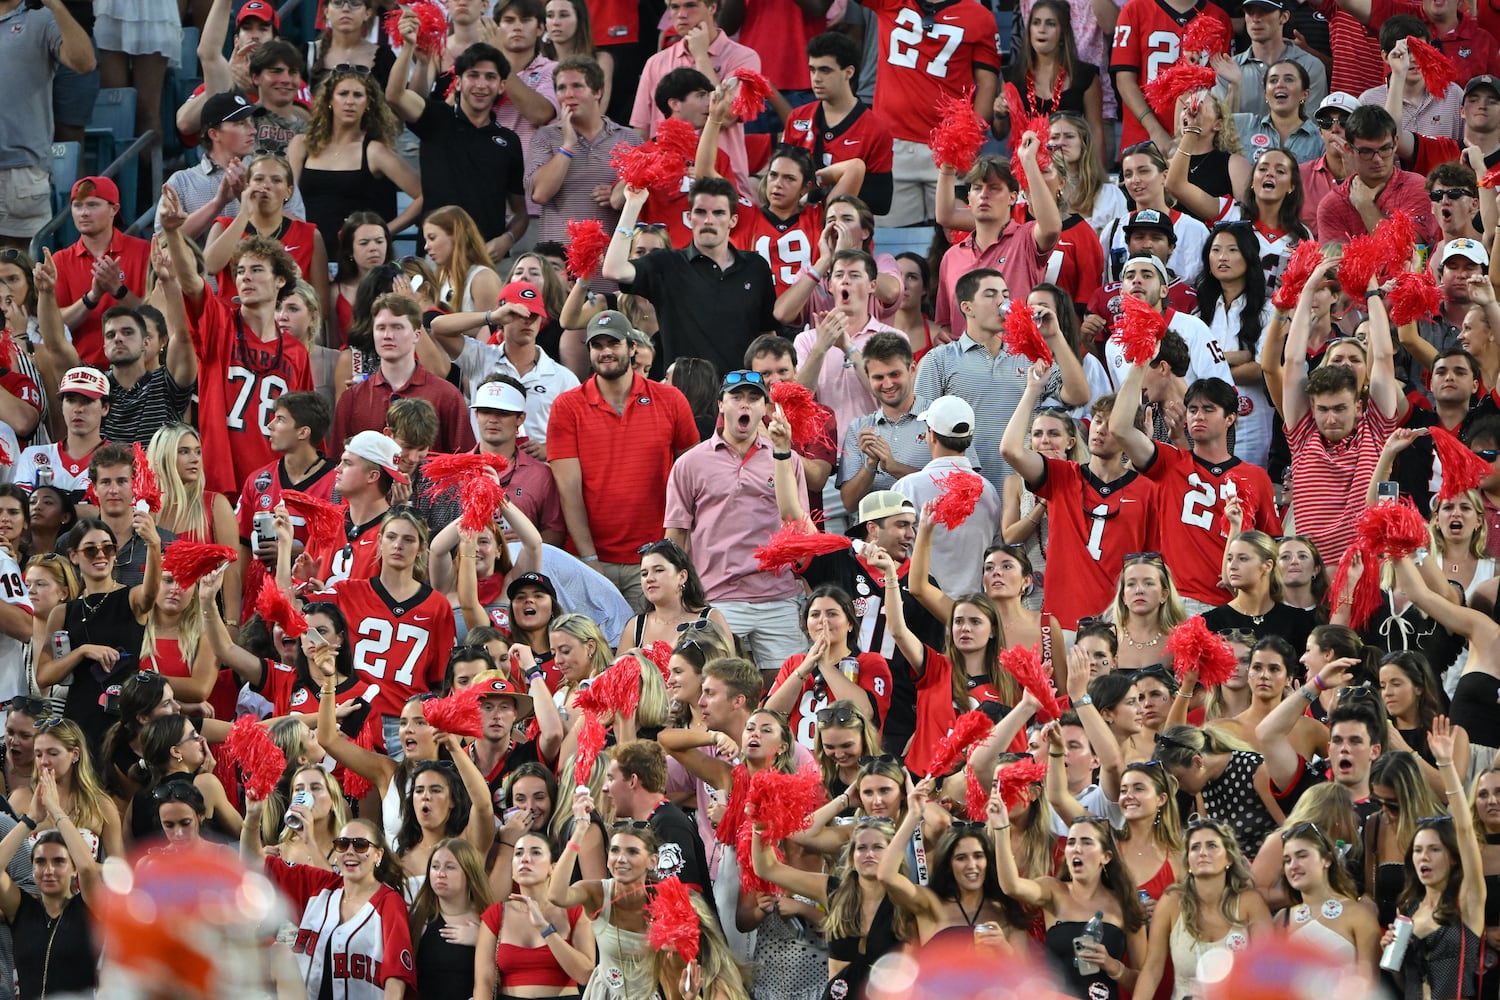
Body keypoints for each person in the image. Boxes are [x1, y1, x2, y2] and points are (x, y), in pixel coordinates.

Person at [158, 188, 312, 499]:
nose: (245, 278)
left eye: (256, 270)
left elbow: (305, 429)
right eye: (240, 271)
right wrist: (173, 233)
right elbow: (191, 281)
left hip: (274, 484)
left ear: (280, 280)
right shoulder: (221, 322)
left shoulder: (296, 352)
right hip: (220, 480)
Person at [546, 311, 698, 608]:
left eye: (613, 343)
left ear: (632, 348)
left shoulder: (671, 400)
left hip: (656, 556)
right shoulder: (567, 405)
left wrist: (676, 551)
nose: (605, 352)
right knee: (591, 651)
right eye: (597, 345)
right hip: (589, 557)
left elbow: (692, 481)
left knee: (651, 650)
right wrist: (589, 558)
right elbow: (569, 489)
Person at [1001, 363, 1162, 630]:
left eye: (1111, 425)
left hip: (1118, 624)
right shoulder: (1063, 475)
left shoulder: (1147, 491)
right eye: (1098, 420)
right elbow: (1010, 450)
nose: (1100, 429)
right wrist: (1032, 390)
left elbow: (1153, 563)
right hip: (1060, 621)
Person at [665, 372, 805, 677]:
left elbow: (799, 528)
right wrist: (680, 596)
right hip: (716, 595)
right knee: (713, 685)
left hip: (778, 593)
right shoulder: (690, 463)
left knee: (786, 687)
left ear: (765, 409)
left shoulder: (787, 459)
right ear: (721, 405)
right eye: (736, 397)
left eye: (754, 398)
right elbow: (675, 535)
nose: (745, 404)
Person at [919, 268, 1089, 492]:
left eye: (1006, 295)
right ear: (967, 307)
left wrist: (1054, 336)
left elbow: (1079, 396)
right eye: (990, 295)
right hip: (964, 491)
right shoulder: (938, 360)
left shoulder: (1029, 356)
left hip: (1023, 491)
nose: (1002, 302)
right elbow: (922, 428)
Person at [1279, 255, 1401, 555]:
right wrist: (1308, 288)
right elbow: (1293, 361)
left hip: (1364, 568)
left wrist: (1371, 290)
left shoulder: (1376, 428)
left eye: (1339, 409)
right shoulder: (1303, 434)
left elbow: (1384, 357)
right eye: (1322, 410)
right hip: (1311, 574)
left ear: (1359, 407)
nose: (1330, 419)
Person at [604, 179, 777, 375]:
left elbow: (767, 334)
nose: (708, 220)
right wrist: (633, 205)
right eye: (701, 212)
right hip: (683, 394)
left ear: (733, 220)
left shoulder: (756, 267)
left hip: (740, 395)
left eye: (718, 213)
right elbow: (613, 269)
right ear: (689, 217)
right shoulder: (666, 264)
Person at [247, 808, 417, 999]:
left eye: (360, 845)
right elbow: (252, 862)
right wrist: (253, 819)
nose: (350, 851)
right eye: (342, 844)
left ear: (378, 855)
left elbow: (396, 977)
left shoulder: (389, 902)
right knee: (278, 953)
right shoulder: (321, 886)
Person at [857, 0, 998, 226]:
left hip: (949, 150)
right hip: (894, 146)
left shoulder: (979, 16)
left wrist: (968, 145)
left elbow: (987, 84)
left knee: (956, 241)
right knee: (895, 242)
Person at [385, 37, 528, 257]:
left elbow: (520, 212)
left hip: (487, 259)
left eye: (490, 77)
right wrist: (408, 46)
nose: (481, 85)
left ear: (501, 86)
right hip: (435, 256)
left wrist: (507, 240)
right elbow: (394, 95)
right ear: (458, 82)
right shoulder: (436, 118)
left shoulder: (508, 140)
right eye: (473, 75)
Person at [993, 811, 1148, 999]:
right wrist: (1001, 829)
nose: (1076, 849)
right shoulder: (1053, 891)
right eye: (1072, 842)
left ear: (1106, 856)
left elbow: (1145, 983)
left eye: (1086, 842)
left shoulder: (1125, 905)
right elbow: (1012, 886)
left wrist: (1113, 966)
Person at [630, 0, 760, 202]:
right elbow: (641, 131)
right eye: (674, 7)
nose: (681, 14)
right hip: (667, 188)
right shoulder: (656, 62)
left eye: (690, 5)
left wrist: (701, 55)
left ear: (712, 7)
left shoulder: (743, 58)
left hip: (725, 180)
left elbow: (726, 116)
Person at [1132, 817, 1272, 1000]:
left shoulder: (1249, 902)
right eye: (1195, 847)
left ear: (1229, 858)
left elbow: (1269, 970)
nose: (1203, 852)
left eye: (1212, 846)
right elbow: (1152, 970)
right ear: (1188, 860)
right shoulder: (1172, 902)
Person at [288, 68, 422, 255]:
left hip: (356, 259)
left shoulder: (375, 151)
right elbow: (286, 199)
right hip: (307, 250)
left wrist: (381, 233)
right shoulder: (301, 145)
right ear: (329, 101)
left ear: (367, 103)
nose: (350, 101)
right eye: (343, 94)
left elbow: (423, 195)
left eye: (358, 95)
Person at [932, 148, 1062, 340]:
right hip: (966, 367)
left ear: (1012, 197)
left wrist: (1028, 160)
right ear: (969, 197)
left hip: (1016, 364)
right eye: (977, 187)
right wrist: (940, 338)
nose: (984, 194)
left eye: (994, 188)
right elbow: (945, 323)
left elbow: (1051, 227)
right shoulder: (952, 257)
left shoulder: (1025, 239)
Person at [0, 0, 94, 250]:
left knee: (20, 272)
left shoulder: (41, 18)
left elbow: (85, 62)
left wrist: (56, 6)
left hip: (22, 168)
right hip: (21, 172)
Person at [547, 792, 660, 1000]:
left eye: (632, 852)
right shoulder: (597, 893)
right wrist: (580, 831)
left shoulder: (662, 900)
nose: (621, 859)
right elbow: (556, 895)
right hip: (603, 994)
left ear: (652, 861)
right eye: (615, 851)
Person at [330, 294, 476, 454]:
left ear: (417, 335)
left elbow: (465, 463)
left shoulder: (447, 396)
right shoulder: (352, 398)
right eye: (381, 328)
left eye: (397, 327)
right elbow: (339, 465)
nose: (387, 335)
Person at [0, 770, 100, 999]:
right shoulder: (22, 909)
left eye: (59, 861)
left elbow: (88, 868)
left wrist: (56, 811)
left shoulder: (88, 906)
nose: (48, 870)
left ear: (73, 868)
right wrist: (29, 819)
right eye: (40, 862)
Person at [161, 92, 310, 241]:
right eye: (241, 124)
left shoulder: (277, 174)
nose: (253, 130)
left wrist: (252, 199)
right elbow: (162, 244)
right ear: (214, 134)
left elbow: (301, 234)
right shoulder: (182, 182)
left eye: (251, 122)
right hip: (200, 264)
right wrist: (217, 204)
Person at [892, 396, 1001, 596]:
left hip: (921, 606)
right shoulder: (989, 491)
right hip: (975, 608)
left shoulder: (907, 487)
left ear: (931, 435)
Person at [527, 56, 640, 244]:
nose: (568, 94)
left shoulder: (630, 140)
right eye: (561, 88)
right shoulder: (544, 137)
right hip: (559, 261)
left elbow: (643, 199)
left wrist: (619, 193)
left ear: (598, 92)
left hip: (610, 259)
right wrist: (567, 146)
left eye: (577, 86)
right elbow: (540, 194)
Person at [781, 32, 895, 216]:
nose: (816, 78)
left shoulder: (876, 130)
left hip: (845, 232)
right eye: (812, 70)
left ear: (848, 72)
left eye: (825, 70)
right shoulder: (797, 118)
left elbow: (881, 201)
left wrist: (829, 189)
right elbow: (780, 176)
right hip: (797, 227)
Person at [474, 831, 596, 998]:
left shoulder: (574, 911)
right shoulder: (496, 914)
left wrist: (545, 928)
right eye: (518, 853)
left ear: (553, 868)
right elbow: (484, 982)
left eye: (536, 852)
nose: (525, 859)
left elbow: (585, 975)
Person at [49, 177, 150, 369]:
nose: (84, 213)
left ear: (114, 209)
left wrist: (118, 291)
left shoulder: (143, 251)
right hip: (83, 369)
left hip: (137, 368)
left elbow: (154, 316)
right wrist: (92, 297)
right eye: (77, 206)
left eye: (93, 204)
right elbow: (55, 326)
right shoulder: (60, 260)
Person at [1110, 0, 1231, 150]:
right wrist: (1155, 131)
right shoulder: (1134, 10)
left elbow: (1221, 87)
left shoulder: (1219, 17)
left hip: (1200, 140)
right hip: (1144, 140)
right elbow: (1124, 81)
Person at [1316, 106, 1438, 245]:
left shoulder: (1416, 187)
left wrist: (1365, 206)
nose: (1377, 159)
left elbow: (1408, 251)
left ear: (1396, 143)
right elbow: (1335, 264)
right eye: (1367, 152)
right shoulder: (1331, 205)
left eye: (1385, 149)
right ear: (1349, 149)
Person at [837, 332, 929, 511]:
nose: (887, 384)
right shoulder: (859, 429)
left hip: (928, 535)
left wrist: (894, 467)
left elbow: (956, 485)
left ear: (912, 370)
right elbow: (849, 503)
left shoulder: (937, 416)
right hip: (875, 537)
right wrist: (870, 465)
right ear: (867, 375)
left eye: (894, 374)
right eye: (878, 377)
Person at [1275, 818, 1381, 971]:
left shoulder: (1359, 915)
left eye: (1302, 855)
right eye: (1287, 860)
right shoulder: (1282, 919)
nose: (1293, 866)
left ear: (1327, 860)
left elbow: (1369, 985)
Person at [13, 367, 104, 502]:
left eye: (87, 401)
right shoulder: (32, 455)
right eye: (70, 400)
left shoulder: (122, 460)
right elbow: (20, 510)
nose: (78, 409)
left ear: (105, 408)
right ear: (62, 406)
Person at [621, 539, 729, 650]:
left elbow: (727, 666)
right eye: (644, 574)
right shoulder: (635, 626)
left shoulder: (710, 618)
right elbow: (617, 667)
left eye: (658, 570)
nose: (649, 579)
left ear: (682, 577)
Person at [1226, 0, 1329, 116]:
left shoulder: (1309, 66)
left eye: (1264, 12)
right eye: (1250, 12)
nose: (1256, 19)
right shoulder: (1228, 69)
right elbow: (1219, 127)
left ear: (1284, 17)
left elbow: (1311, 128)